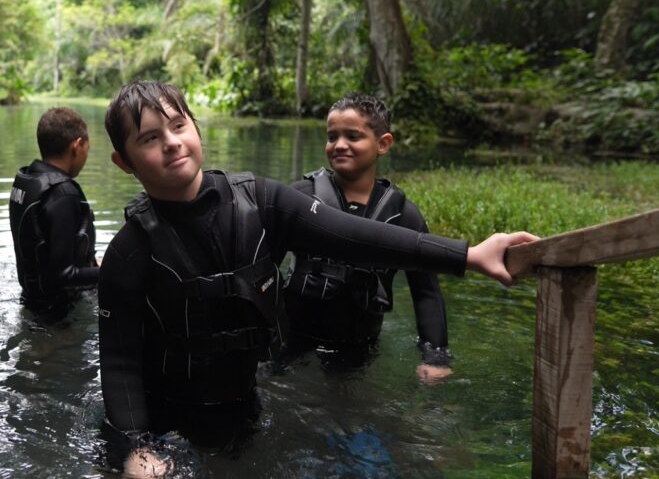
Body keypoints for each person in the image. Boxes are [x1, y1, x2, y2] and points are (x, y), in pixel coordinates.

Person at [97, 81, 536, 478]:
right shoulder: (127, 254)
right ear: (123, 161)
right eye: (150, 138)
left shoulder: (261, 202)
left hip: (247, 408)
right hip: (165, 427)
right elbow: (118, 363)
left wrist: (469, 255)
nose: (172, 143)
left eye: (178, 126)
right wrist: (135, 447)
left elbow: (358, 236)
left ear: (196, 127)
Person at [283, 93, 452, 383]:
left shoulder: (403, 216)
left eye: (353, 136)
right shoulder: (300, 198)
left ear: (383, 143)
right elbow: (259, 262)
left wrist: (435, 357)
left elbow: (426, 291)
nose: (339, 145)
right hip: (292, 340)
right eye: (331, 136)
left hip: (357, 347)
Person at [8, 107, 99, 313]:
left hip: (32, 301)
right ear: (77, 146)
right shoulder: (63, 193)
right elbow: (63, 276)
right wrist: (112, 271)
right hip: (58, 316)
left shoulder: (28, 179)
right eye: (87, 149)